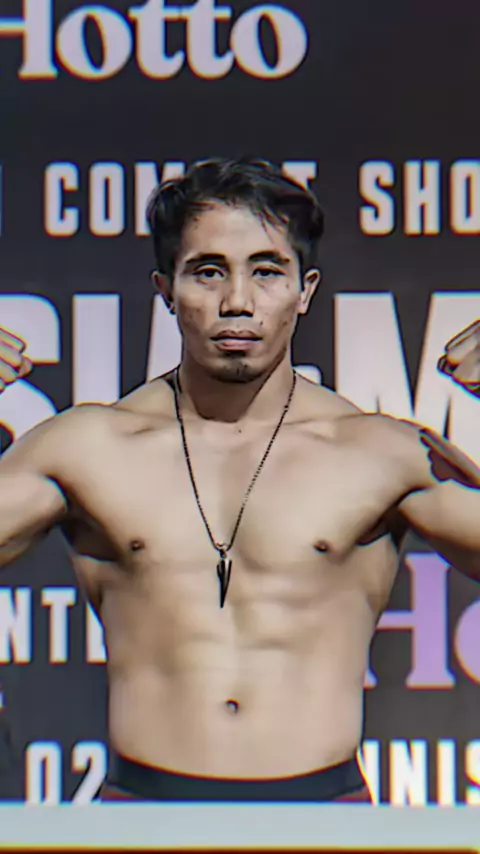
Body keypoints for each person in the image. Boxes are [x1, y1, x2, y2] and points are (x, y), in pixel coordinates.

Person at [0, 158, 479, 804]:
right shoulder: (88, 448)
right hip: (140, 818)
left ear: (305, 290)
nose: (237, 302)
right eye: (207, 272)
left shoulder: (381, 453)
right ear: (166, 289)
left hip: (326, 819)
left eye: (267, 271)